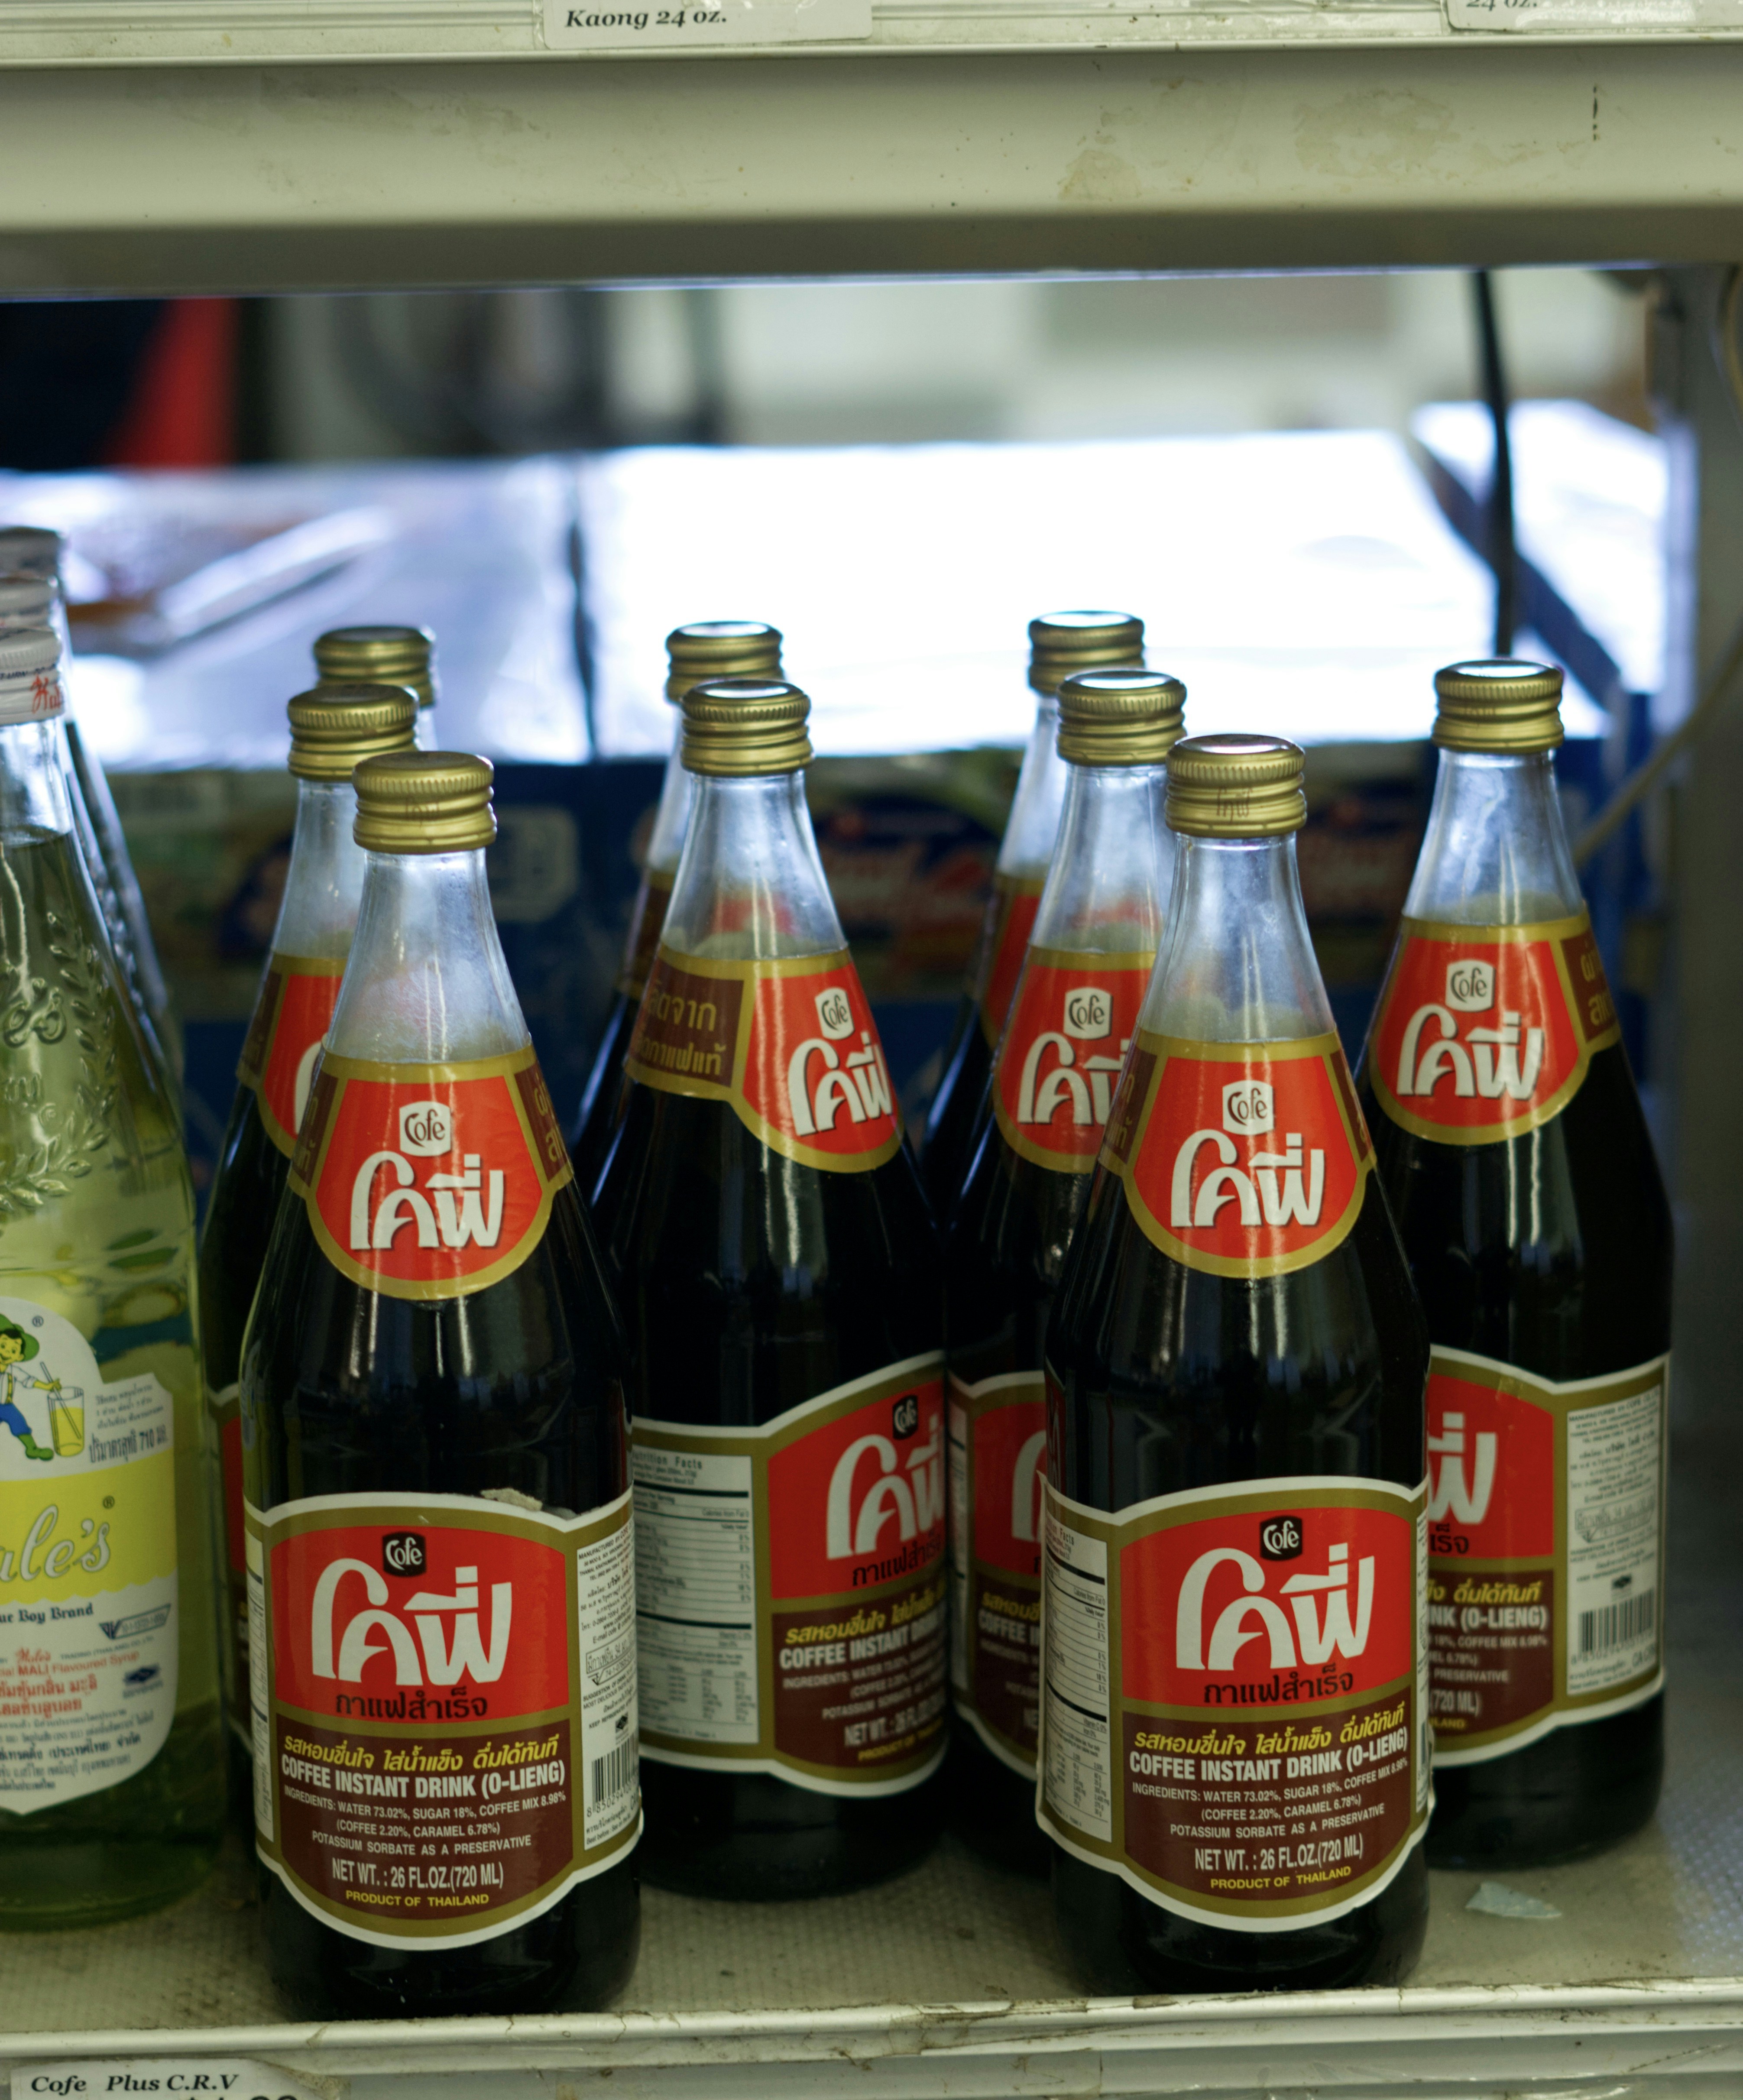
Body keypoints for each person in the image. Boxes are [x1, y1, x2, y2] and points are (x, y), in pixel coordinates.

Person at [0, 1316, 61, 1460]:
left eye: (13, 1350)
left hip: (7, 1406)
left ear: (20, 1357)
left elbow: (29, 1381)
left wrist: (48, 1386)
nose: (6, 1353)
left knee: (19, 1422)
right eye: (3, 1346)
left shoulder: (13, 1371)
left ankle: (32, 1449)